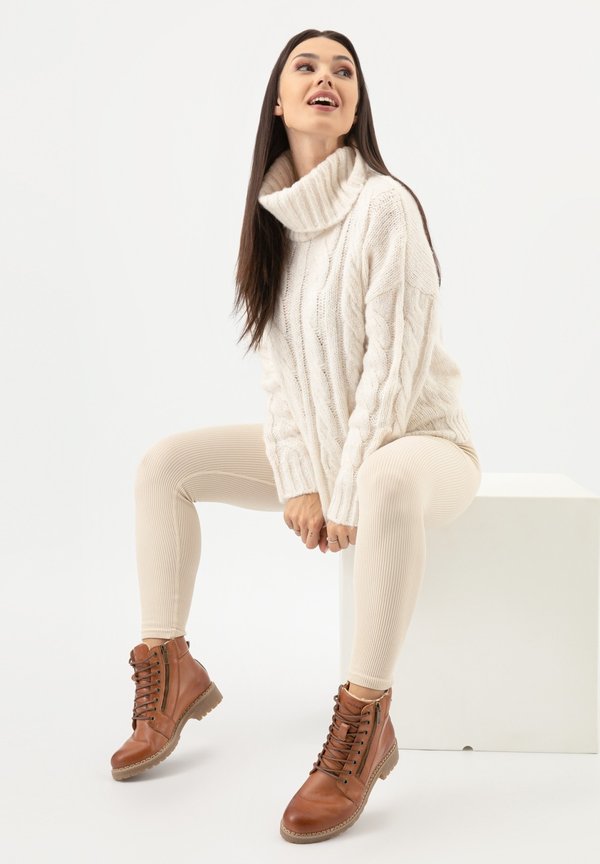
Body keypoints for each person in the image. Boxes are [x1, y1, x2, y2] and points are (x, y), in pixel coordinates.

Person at [110, 29, 482, 844]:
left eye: (344, 70)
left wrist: (341, 490)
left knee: (384, 477)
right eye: (306, 67)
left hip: (424, 446)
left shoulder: (385, 205)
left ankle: (364, 721)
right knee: (164, 466)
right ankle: (170, 670)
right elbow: (280, 380)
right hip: (333, 449)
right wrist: (299, 477)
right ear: (278, 103)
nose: (327, 78)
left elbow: (393, 369)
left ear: (354, 106)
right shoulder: (275, 224)